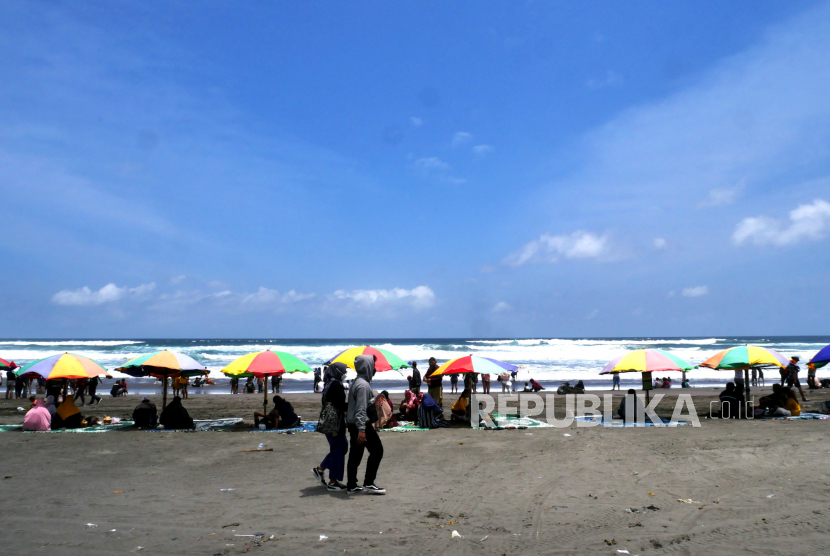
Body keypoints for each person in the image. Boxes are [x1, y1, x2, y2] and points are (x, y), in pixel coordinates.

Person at [345, 355, 385, 494]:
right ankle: (368, 482)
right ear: (367, 366)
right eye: (372, 365)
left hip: (355, 423)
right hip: (360, 425)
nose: (374, 368)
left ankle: (352, 485)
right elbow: (360, 409)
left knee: (356, 454)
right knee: (377, 451)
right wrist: (362, 429)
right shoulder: (362, 385)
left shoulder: (358, 382)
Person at [313, 362, 349, 491]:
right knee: (339, 449)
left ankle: (321, 469)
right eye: (344, 371)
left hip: (329, 423)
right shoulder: (336, 385)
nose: (345, 373)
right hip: (335, 424)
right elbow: (339, 406)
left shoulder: (329, 383)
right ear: (338, 372)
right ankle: (333, 481)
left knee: (340, 447)